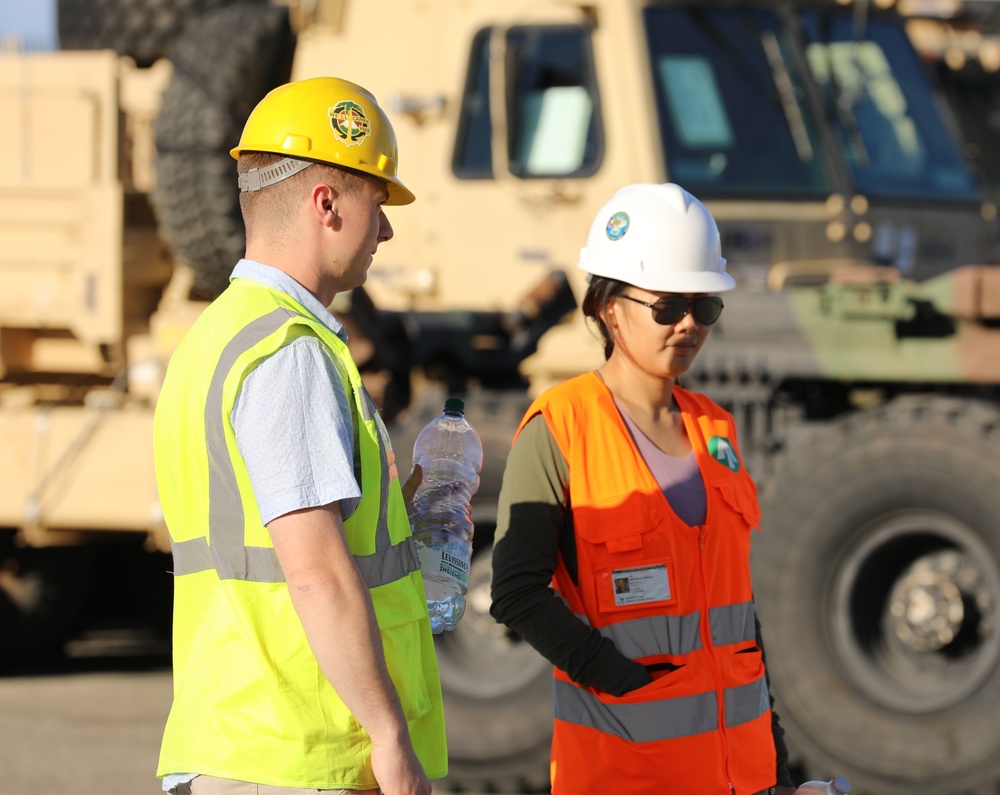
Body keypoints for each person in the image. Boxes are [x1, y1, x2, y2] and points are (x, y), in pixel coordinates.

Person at [153, 77, 446, 795]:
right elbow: (312, 569)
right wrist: (389, 737)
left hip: (242, 740)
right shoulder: (290, 350)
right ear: (326, 204)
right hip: (296, 753)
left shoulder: (219, 334)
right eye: (377, 204)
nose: (386, 230)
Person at [490, 183, 796, 795]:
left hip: (744, 775)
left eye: (703, 306)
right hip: (625, 773)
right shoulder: (560, 428)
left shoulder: (717, 428)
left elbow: (736, 619)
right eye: (667, 306)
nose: (688, 324)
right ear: (609, 306)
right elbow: (516, 592)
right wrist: (617, 678)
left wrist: (777, 768)